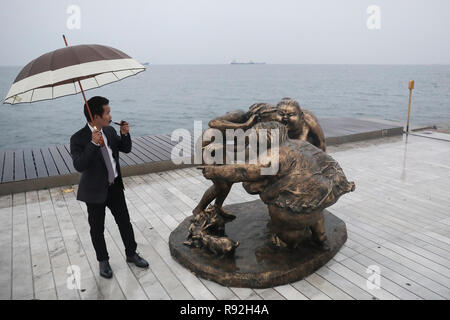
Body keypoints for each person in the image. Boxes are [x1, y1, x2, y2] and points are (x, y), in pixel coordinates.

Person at [70, 96, 149, 279]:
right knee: (97, 228)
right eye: (107, 112)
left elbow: (125, 149)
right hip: (95, 191)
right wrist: (92, 144)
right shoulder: (78, 138)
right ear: (96, 116)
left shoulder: (110, 131)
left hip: (114, 187)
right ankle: (103, 261)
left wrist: (124, 133)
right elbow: (79, 165)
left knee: (124, 222)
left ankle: (131, 253)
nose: (110, 115)